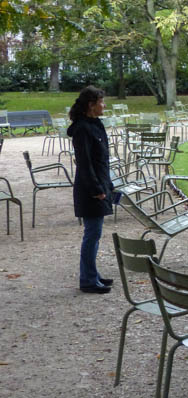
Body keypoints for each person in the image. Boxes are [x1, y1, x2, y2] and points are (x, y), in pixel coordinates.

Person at [67, 86, 115, 294]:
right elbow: (85, 163)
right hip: (90, 190)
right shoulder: (82, 129)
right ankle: (87, 279)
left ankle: (92, 275)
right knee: (92, 234)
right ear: (91, 105)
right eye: (101, 102)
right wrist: (97, 189)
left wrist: (108, 184)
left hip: (99, 185)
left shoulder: (95, 125)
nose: (104, 106)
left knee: (95, 234)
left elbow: (101, 160)